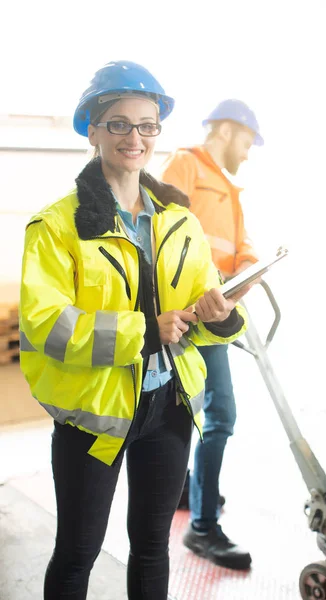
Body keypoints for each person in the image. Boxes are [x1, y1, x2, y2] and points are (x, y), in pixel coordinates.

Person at [19, 62, 250, 600]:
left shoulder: (179, 220)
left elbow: (196, 316)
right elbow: (47, 325)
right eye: (119, 124)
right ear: (92, 130)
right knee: (78, 551)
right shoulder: (56, 226)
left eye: (147, 126)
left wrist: (222, 316)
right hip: (93, 416)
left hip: (169, 408)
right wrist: (144, 332)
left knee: (152, 547)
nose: (135, 138)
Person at [160, 99, 263, 570]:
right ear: (227, 129)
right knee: (219, 413)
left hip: (215, 316)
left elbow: (243, 248)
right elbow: (160, 229)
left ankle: (188, 492)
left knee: (192, 407)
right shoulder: (186, 165)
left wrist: (248, 268)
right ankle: (202, 529)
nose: (248, 151)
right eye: (247, 140)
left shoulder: (230, 190)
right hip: (184, 314)